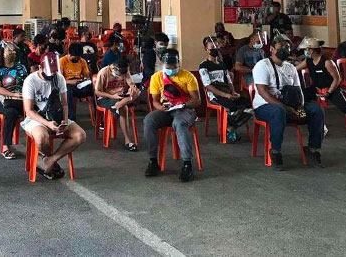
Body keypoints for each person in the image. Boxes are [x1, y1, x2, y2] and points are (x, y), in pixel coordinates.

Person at [252, 36, 325, 170]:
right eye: (281, 47)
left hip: (290, 105)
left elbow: (298, 90)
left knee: (316, 110)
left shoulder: (290, 67)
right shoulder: (262, 66)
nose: (285, 50)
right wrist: (285, 107)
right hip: (264, 106)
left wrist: (300, 107)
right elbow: (263, 92)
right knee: (278, 112)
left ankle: (313, 149)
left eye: (287, 47)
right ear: (272, 49)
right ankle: (275, 152)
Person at [21, 53, 87, 180]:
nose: (51, 77)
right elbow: (29, 111)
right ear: (40, 67)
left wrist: (65, 121)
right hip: (37, 118)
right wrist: (47, 123)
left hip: (56, 114)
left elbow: (65, 104)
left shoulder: (59, 78)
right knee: (41, 137)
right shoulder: (30, 81)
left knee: (80, 135)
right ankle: (51, 163)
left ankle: (50, 160)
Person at [296, 38, 346, 138]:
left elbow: (337, 79)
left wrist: (328, 92)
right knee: (300, 98)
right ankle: (321, 126)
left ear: (312, 50)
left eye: (306, 49)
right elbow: (295, 69)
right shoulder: (308, 61)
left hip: (331, 89)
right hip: (316, 88)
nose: (305, 51)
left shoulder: (327, 62)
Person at [144, 49, 200, 182]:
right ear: (162, 64)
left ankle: (187, 164)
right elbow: (155, 101)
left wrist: (184, 105)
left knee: (179, 124)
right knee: (149, 120)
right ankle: (153, 161)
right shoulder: (156, 77)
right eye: (168, 68)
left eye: (174, 67)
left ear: (178, 63)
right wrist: (161, 108)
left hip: (185, 110)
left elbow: (197, 101)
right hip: (166, 110)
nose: (171, 70)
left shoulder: (188, 76)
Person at [199, 36, 252, 143]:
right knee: (233, 107)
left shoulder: (222, 64)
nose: (215, 49)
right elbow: (208, 85)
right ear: (206, 49)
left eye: (216, 47)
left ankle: (230, 128)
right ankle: (229, 129)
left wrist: (233, 92)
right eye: (212, 48)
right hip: (215, 95)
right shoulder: (203, 66)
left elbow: (229, 81)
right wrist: (225, 95)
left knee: (249, 105)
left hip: (228, 93)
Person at [0, 43, 28, 159]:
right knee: (11, 113)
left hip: (22, 99)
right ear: (3, 53)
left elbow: (28, 83)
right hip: (5, 100)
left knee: (37, 110)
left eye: (14, 50)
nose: (13, 52)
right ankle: (6, 147)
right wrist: (13, 94)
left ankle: (40, 147)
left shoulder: (21, 67)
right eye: (9, 50)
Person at [95, 58, 141, 151]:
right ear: (114, 69)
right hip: (106, 97)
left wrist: (132, 89)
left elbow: (131, 83)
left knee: (138, 92)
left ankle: (118, 105)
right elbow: (97, 92)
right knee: (124, 108)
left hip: (121, 96)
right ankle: (127, 141)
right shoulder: (103, 72)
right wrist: (112, 96)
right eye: (120, 75)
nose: (122, 77)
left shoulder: (125, 70)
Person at [59, 43, 93, 123]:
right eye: (75, 57)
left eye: (79, 57)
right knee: (67, 91)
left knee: (94, 89)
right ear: (69, 54)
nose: (77, 59)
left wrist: (86, 79)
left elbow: (86, 75)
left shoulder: (82, 61)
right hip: (67, 84)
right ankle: (71, 119)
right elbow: (60, 80)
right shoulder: (62, 61)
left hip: (79, 83)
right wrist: (71, 82)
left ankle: (98, 116)